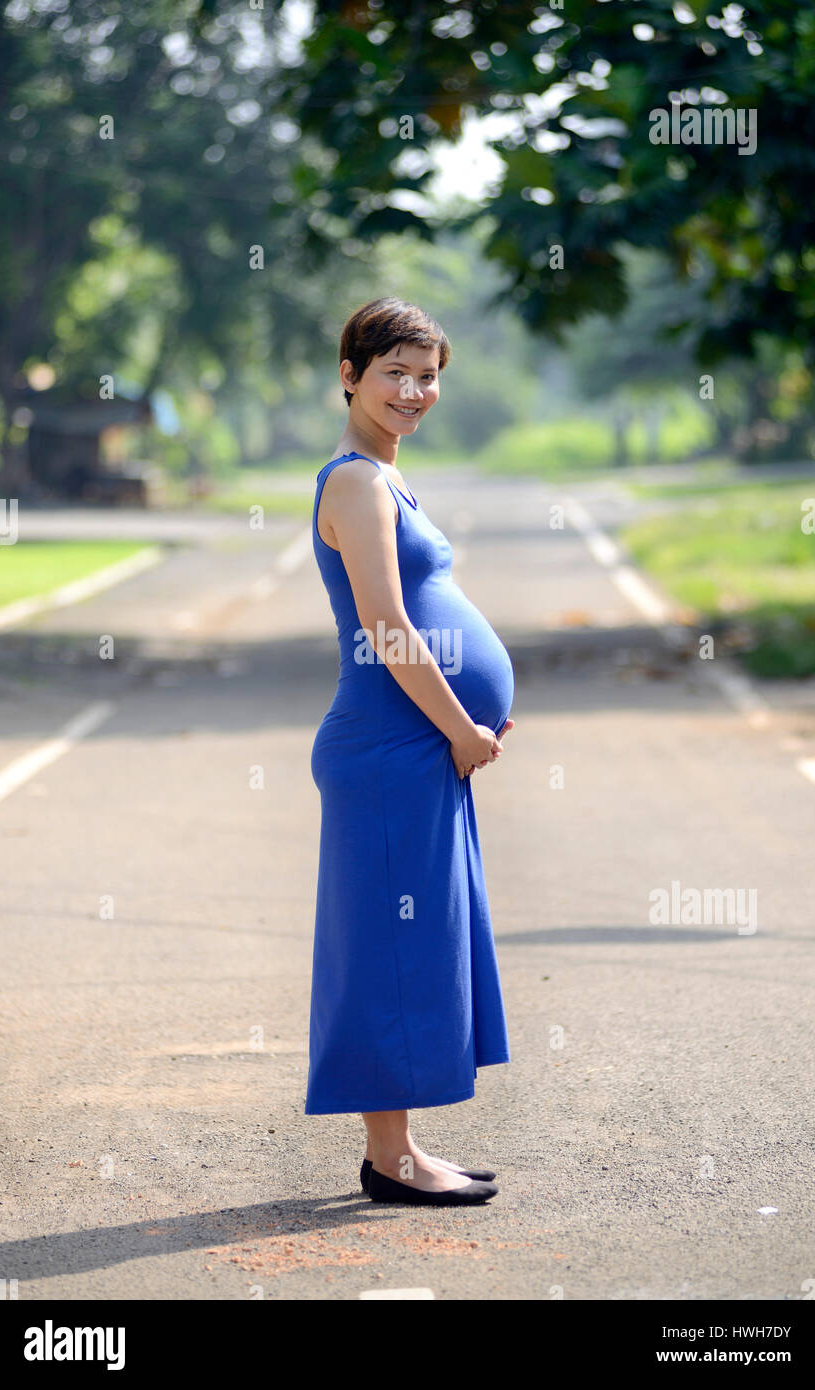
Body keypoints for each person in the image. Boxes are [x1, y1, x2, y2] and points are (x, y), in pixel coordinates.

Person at [306, 297, 515, 1206]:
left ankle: (401, 1152)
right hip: (392, 747)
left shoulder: (387, 481)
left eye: (427, 375)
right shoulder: (353, 481)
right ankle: (392, 1163)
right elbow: (388, 628)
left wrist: (468, 720)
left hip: (414, 747)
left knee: (415, 946)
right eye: (394, 372)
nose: (414, 390)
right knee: (392, 949)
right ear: (349, 375)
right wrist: (460, 727)